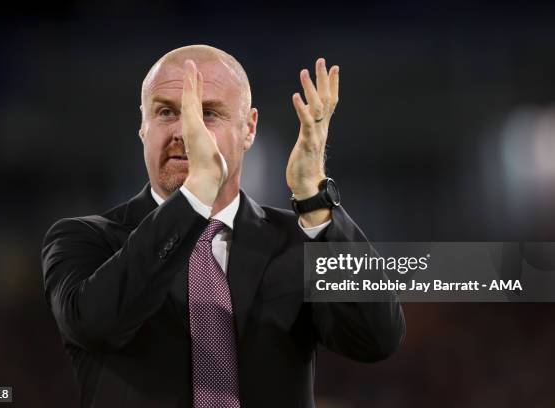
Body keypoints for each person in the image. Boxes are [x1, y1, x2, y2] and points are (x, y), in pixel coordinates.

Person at [41, 44, 405, 408]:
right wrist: (196, 194)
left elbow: (376, 338)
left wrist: (315, 201)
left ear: (249, 130)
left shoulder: (297, 241)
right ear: (143, 126)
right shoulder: (84, 240)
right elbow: (94, 325)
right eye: (168, 111)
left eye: (208, 114)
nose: (186, 131)